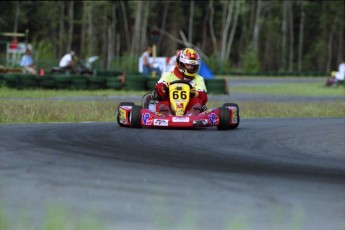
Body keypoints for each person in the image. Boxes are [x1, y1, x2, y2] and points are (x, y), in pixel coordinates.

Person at [154, 48, 208, 115]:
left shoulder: (199, 79)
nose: (190, 68)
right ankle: (165, 114)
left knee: (196, 101)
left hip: (188, 108)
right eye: (188, 65)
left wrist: (196, 93)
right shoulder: (168, 75)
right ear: (180, 64)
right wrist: (163, 88)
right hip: (171, 106)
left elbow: (204, 97)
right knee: (163, 102)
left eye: (193, 66)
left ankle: (192, 115)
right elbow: (158, 87)